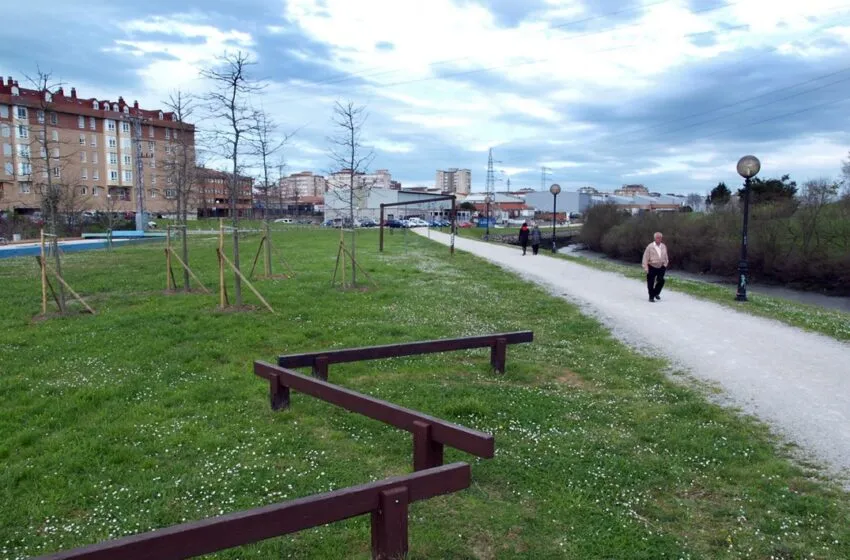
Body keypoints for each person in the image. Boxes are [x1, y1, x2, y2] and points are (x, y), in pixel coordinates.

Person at [642, 232, 669, 302]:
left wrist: (665, 264)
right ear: (654, 238)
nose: (659, 239)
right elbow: (645, 258)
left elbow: (666, 256)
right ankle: (651, 297)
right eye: (657, 237)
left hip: (661, 266)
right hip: (651, 266)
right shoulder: (650, 246)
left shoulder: (663, 246)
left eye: (660, 238)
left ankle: (656, 293)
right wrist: (645, 268)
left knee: (661, 280)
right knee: (650, 282)